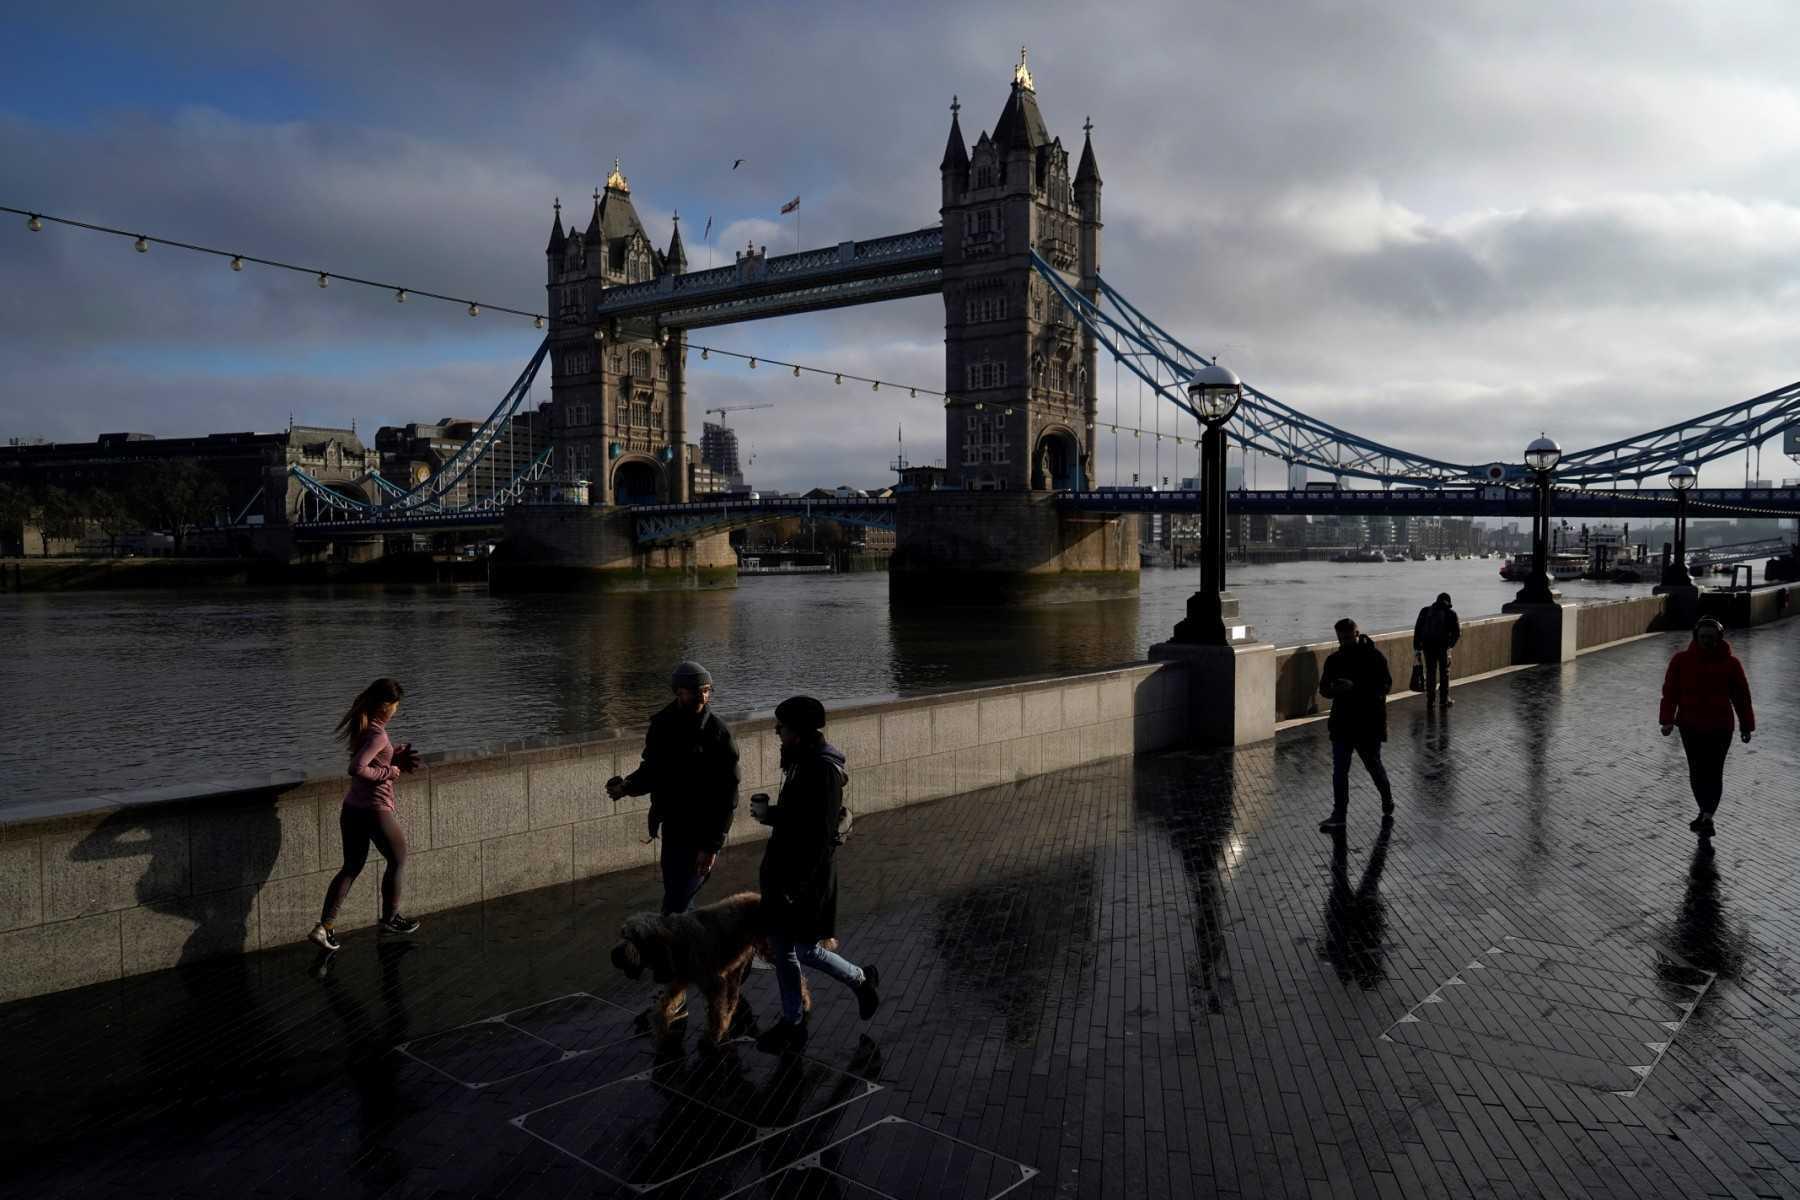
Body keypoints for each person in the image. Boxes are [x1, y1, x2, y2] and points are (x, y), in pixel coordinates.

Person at [752, 695, 881, 1053]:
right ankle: (792, 1021)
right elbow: (800, 816)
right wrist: (770, 816)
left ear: (800, 731)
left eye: (782, 726)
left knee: (806, 950)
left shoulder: (821, 769)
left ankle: (860, 979)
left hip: (804, 878)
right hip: (783, 873)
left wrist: (797, 886)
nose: (776, 731)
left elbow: (820, 835)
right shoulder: (800, 761)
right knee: (782, 950)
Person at [608, 661, 740, 916]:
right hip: (673, 827)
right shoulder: (662, 725)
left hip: (701, 831)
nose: (703, 696)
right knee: (678, 899)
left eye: (707, 690)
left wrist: (712, 846)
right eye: (696, 690)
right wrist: (627, 787)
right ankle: (696, 952)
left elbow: (728, 795)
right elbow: (654, 769)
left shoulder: (719, 733)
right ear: (679, 692)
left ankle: (687, 950)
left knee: (674, 907)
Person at [311, 678, 423, 952]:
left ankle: (325, 927)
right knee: (398, 859)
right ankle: (390, 919)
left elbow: (370, 758)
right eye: (396, 705)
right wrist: (390, 772)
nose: (397, 710)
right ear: (387, 706)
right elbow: (357, 767)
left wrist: (391, 757)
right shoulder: (378, 734)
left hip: (352, 809)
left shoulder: (364, 728)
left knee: (351, 867)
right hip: (374, 810)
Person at [1660, 617, 1754, 837]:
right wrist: (1667, 720)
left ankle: (1707, 815)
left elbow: (1742, 698)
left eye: (1711, 638)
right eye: (1703, 637)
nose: (1707, 642)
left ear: (1719, 638)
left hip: (1720, 728)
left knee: (1713, 771)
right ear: (1696, 637)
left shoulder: (1732, 665)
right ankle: (1705, 813)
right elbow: (1670, 693)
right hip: (1690, 726)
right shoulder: (1680, 661)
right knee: (1696, 770)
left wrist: (1746, 726)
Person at [1318, 618, 1395, 832]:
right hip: (1342, 724)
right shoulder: (1334, 660)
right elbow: (1323, 689)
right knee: (1340, 771)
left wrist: (1354, 688)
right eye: (1340, 639)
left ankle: (1387, 799)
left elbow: (1385, 686)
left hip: (1367, 724)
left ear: (1357, 633)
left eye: (1347, 637)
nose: (1344, 642)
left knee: (1373, 766)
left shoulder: (1374, 657)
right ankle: (1339, 814)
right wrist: (1335, 689)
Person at [1412, 592, 1461, 707]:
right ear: (1448, 602)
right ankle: (1444, 700)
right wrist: (1450, 646)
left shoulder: (1425, 611)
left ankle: (1430, 700)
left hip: (1427, 647)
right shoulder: (1451, 614)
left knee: (1430, 672)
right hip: (1443, 647)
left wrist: (1417, 648)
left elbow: (1417, 629)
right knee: (1444, 673)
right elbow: (1457, 633)